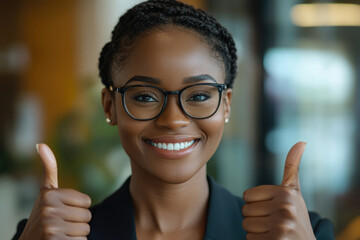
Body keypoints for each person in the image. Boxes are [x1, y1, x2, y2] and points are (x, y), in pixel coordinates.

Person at [13, 0, 335, 239]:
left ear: (226, 105)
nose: (173, 119)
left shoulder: (303, 231)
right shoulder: (50, 235)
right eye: (144, 96)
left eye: (198, 96)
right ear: (110, 106)